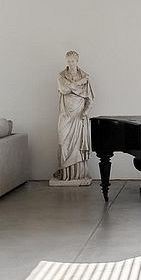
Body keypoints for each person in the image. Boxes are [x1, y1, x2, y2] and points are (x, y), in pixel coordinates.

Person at [52, 50, 94, 183]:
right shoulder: (61, 76)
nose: (71, 63)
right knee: (63, 142)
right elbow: (64, 89)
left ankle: (78, 174)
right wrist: (79, 82)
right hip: (65, 114)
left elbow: (89, 98)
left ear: (77, 61)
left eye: (73, 61)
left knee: (77, 145)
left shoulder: (84, 76)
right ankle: (65, 173)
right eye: (69, 61)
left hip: (78, 114)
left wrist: (85, 112)